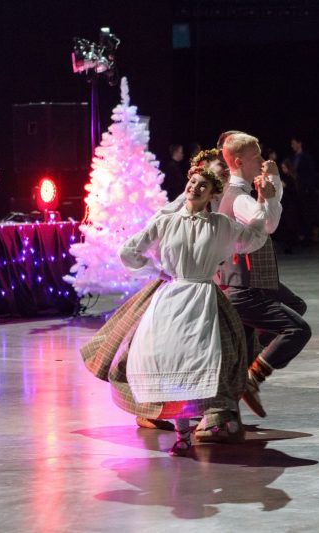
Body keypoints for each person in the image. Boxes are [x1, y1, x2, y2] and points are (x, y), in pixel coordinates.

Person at [85, 153, 273, 456]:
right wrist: (157, 270)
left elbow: (254, 238)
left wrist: (265, 202)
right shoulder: (167, 221)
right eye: (192, 182)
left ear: (212, 195)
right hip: (172, 298)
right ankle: (181, 432)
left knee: (204, 360)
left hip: (204, 297)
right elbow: (128, 251)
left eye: (202, 186)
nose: (194, 188)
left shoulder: (221, 225)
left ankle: (207, 421)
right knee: (168, 360)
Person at [216, 132, 311, 419]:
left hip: (251, 281)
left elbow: (269, 209)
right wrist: (269, 192)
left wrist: (273, 184)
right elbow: (269, 223)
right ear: (239, 162)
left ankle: (251, 360)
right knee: (298, 330)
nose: (262, 159)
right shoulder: (238, 199)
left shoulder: (242, 194)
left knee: (295, 304)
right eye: (256, 156)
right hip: (242, 286)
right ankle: (253, 376)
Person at [290, 136, 318, 243]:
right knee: (298, 213)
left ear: (299, 144)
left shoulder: (307, 157)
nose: (292, 146)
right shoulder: (293, 157)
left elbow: (310, 173)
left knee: (307, 213)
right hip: (296, 189)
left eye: (294, 143)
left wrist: (308, 187)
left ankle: (308, 237)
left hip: (305, 189)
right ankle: (299, 236)